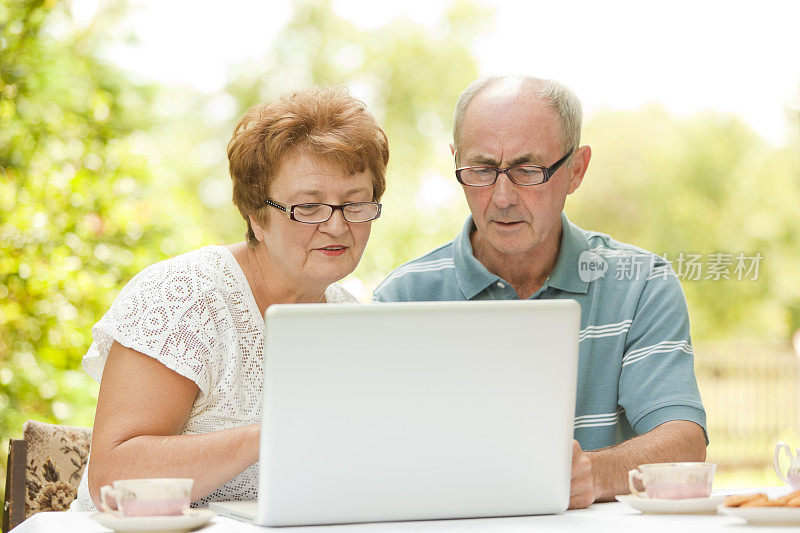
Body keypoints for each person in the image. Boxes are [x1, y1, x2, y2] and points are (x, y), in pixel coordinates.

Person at [372, 75, 707, 509]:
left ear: (576, 170)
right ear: (455, 162)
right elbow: (381, 459)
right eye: (481, 170)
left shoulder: (641, 283)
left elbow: (684, 444)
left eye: (529, 171)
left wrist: (593, 473)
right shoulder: (402, 300)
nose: (502, 197)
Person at [71, 86, 389, 511]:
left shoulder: (352, 320)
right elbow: (114, 479)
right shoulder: (183, 298)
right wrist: (273, 433)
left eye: (355, 203)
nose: (336, 226)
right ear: (257, 216)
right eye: (309, 207)